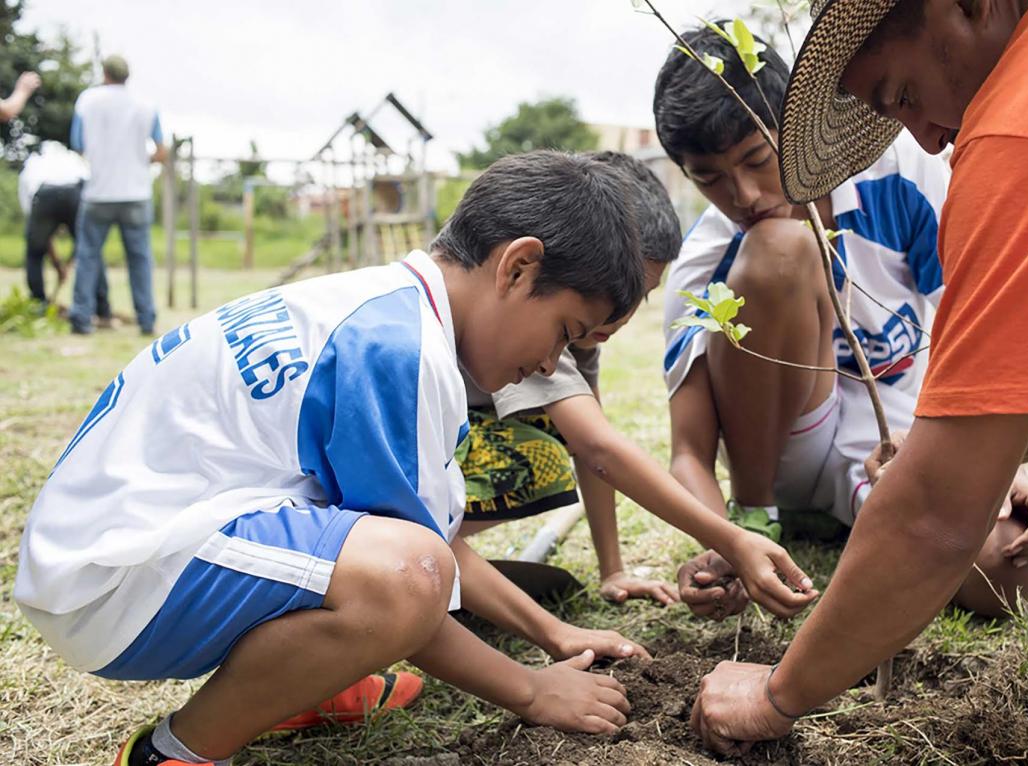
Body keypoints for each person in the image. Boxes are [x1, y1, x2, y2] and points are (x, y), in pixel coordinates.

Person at [17, 151, 660, 766]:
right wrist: (529, 688)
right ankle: (173, 753)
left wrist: (554, 634)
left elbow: (417, 540)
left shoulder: (390, 307)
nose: (550, 366)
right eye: (564, 333)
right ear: (518, 268)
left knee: (396, 554)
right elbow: (415, 576)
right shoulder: (398, 351)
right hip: (114, 579)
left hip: (120, 548)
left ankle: (305, 684)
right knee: (406, 576)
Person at [688, 0, 1028, 755]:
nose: (925, 135)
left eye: (901, 94)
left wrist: (775, 695)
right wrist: (977, 450)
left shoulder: (1026, 128)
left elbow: (932, 519)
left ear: (973, 6)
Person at [653, 24, 1028, 626]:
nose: (743, 194)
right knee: (780, 249)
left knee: (1006, 572)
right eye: (708, 178)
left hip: (891, 439)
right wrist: (720, 541)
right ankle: (760, 513)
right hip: (782, 451)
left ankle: (862, 509)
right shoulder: (704, 265)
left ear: (794, 129)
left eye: (757, 159)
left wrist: (1007, 469)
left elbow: (975, 335)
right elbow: (688, 451)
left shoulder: (903, 180)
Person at [459, 151, 813, 611]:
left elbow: (594, 445)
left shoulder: (579, 334)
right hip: (421, 472)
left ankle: (455, 561)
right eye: (615, 294)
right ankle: (449, 559)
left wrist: (613, 570)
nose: (619, 316)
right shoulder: (536, 329)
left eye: (639, 296)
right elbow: (599, 450)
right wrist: (732, 540)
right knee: (542, 451)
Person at [68, 55, 167, 336]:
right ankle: (146, 320)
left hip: (98, 191)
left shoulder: (88, 101)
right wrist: (140, 161)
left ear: (105, 73)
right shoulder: (146, 105)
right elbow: (161, 152)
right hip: (136, 192)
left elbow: (77, 143)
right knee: (139, 259)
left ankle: (81, 319)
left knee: (88, 256)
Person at [18, 140, 110, 318]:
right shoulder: (73, 158)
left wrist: (64, 264)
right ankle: (102, 308)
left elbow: (39, 238)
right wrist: (59, 265)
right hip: (76, 191)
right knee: (91, 251)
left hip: (44, 193)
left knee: (34, 254)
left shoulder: (32, 163)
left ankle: (39, 305)